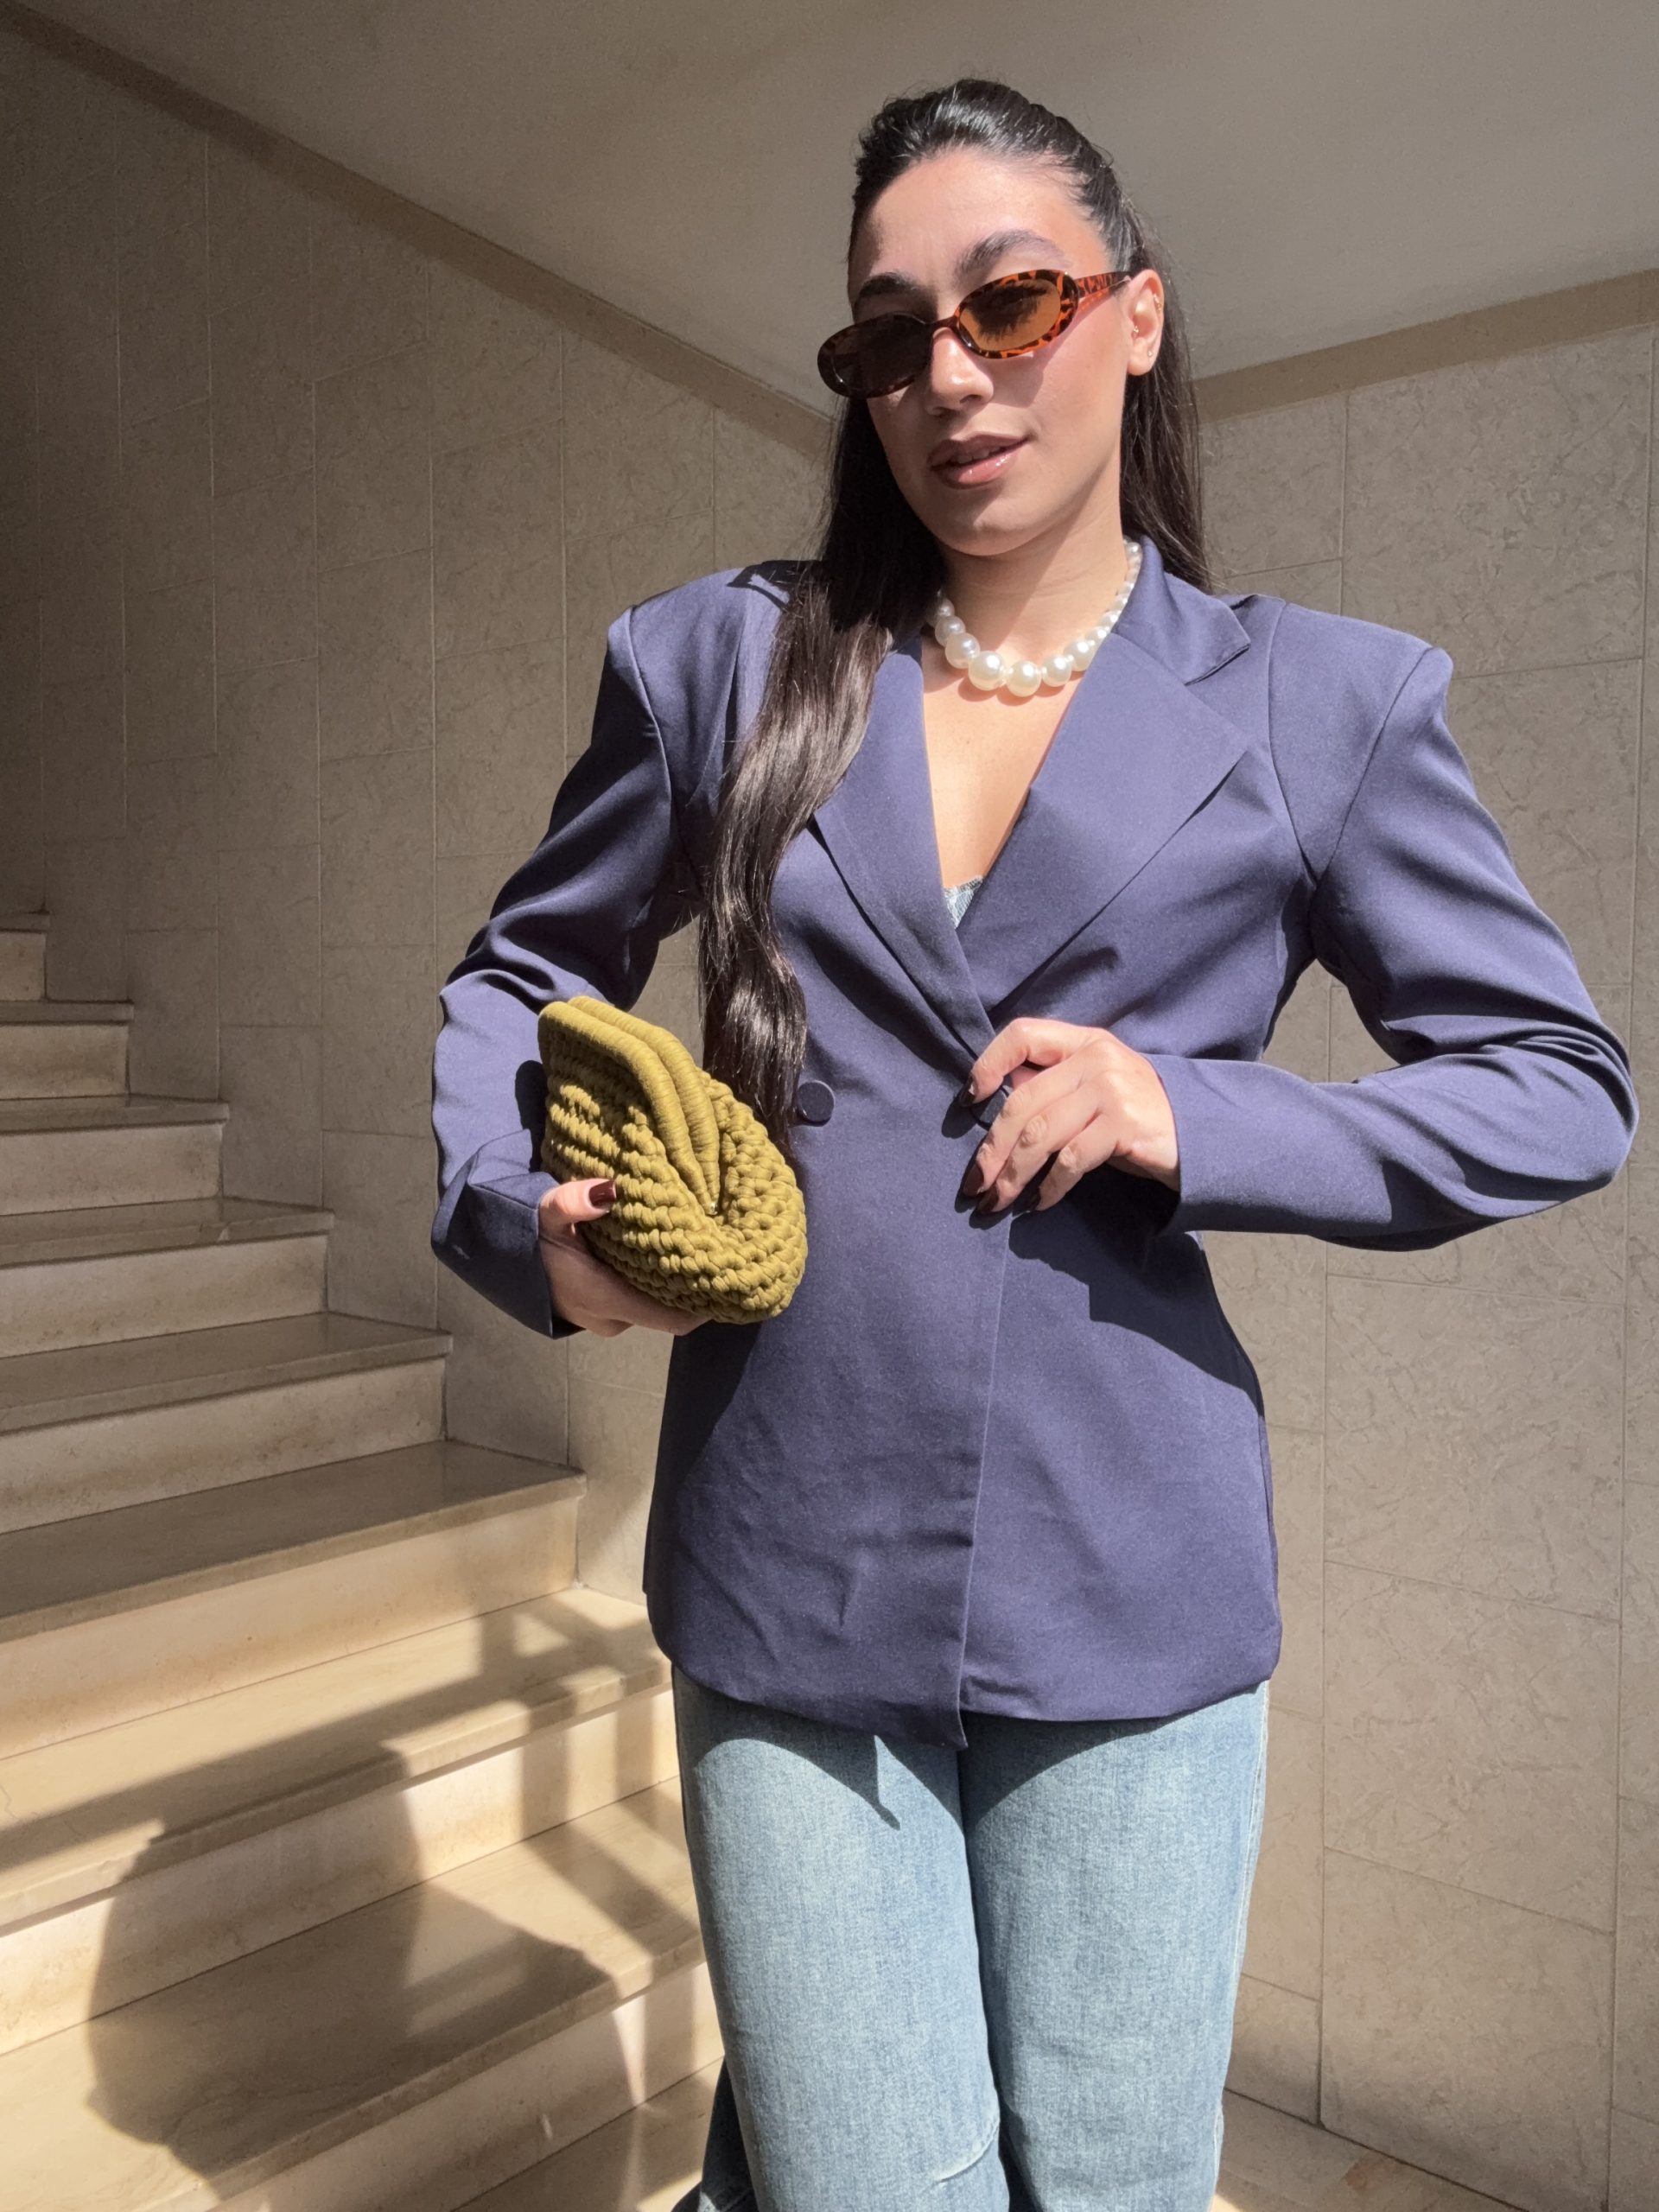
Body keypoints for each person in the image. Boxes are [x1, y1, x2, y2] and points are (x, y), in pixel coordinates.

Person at [429, 76, 1639, 2212]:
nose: (953, 375)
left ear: (1136, 315)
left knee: (1104, 2183)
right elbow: (522, 970)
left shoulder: (1321, 704)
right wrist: (535, 1224)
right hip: (787, 1551)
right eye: (892, 335)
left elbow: (1558, 1079)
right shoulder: (726, 665)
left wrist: (1197, 1108)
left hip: (1126, 1567)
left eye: (1013, 302)